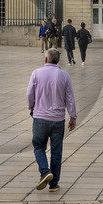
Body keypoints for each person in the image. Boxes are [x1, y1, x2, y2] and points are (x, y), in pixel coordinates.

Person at [27, 47, 78, 191]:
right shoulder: (64, 75)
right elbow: (70, 99)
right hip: (58, 119)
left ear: (45, 59)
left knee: (38, 146)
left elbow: (29, 94)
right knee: (56, 151)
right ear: (58, 60)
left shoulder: (36, 73)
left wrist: (31, 108)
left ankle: (45, 171)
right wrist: (73, 117)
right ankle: (54, 183)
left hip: (40, 117)